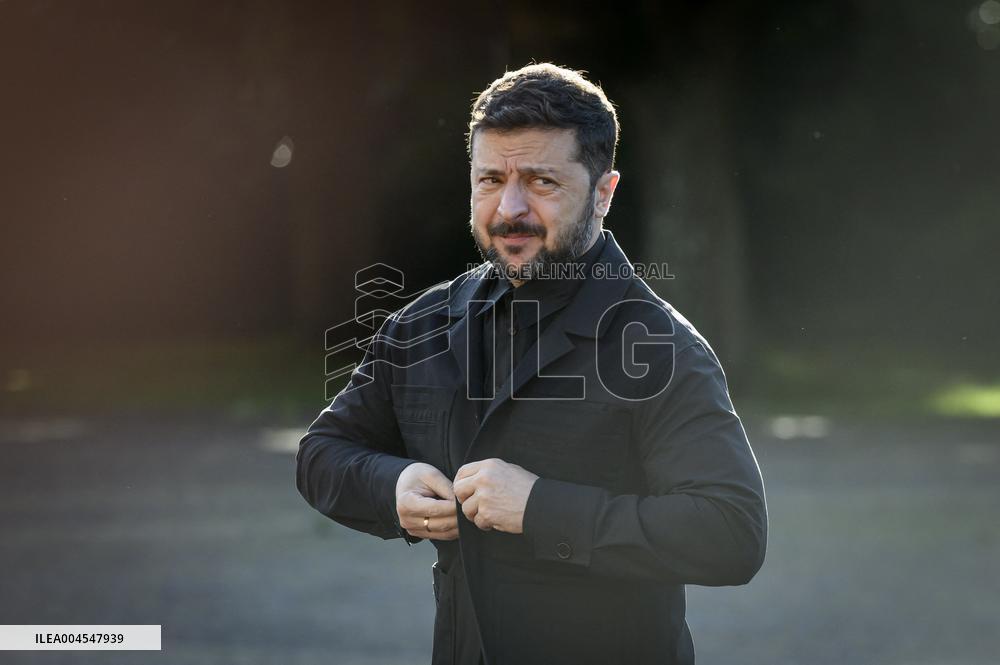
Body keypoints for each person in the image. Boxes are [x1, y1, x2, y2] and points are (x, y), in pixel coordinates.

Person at [296, 63, 767, 665]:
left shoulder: (660, 347)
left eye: (541, 181)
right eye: (490, 179)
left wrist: (541, 508)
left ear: (603, 193)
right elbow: (322, 453)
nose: (508, 208)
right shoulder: (422, 325)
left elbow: (731, 534)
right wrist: (391, 488)